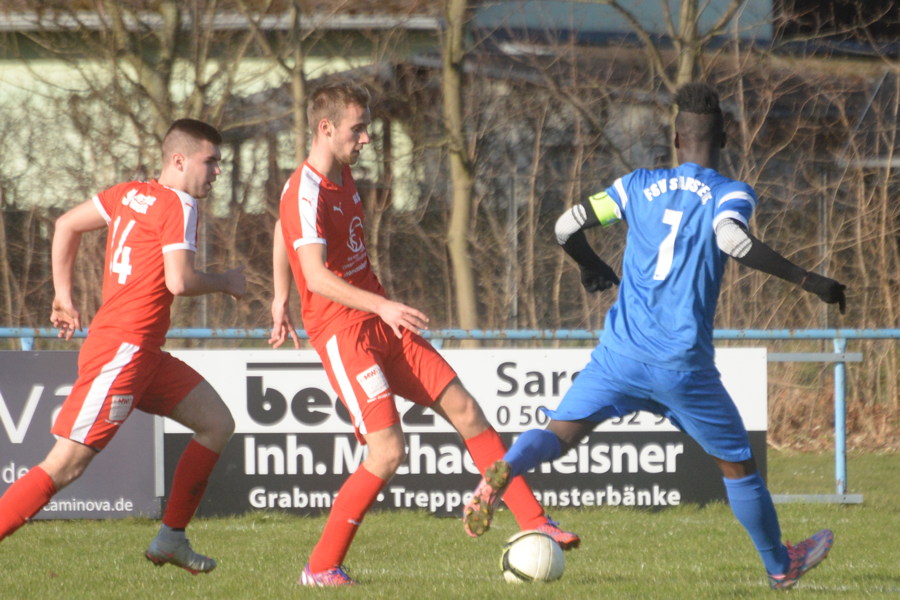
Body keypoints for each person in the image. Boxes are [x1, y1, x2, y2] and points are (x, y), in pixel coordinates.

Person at [462, 83, 846, 591]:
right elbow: (731, 238)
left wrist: (590, 264)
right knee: (739, 469)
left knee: (559, 435)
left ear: (676, 138)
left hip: (620, 355)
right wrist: (809, 280)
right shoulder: (731, 192)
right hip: (682, 366)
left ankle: (507, 468)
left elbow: (565, 226)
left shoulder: (636, 184)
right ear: (723, 138)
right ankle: (780, 565)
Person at [269, 80, 579, 587]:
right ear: (325, 128)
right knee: (388, 451)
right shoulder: (304, 189)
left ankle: (534, 520)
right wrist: (370, 302)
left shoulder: (340, 175)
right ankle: (320, 568)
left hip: (379, 320)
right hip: (344, 334)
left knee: (467, 410)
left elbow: (285, 233)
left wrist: (280, 295)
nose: (366, 137)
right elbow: (318, 275)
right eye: (358, 128)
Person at [0, 119, 245, 575]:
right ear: (179, 160)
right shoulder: (180, 204)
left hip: (142, 352)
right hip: (124, 353)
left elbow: (66, 224)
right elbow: (179, 281)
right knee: (65, 465)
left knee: (216, 423)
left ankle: (171, 539)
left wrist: (63, 295)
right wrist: (226, 282)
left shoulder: (130, 193)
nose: (217, 171)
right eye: (210, 161)